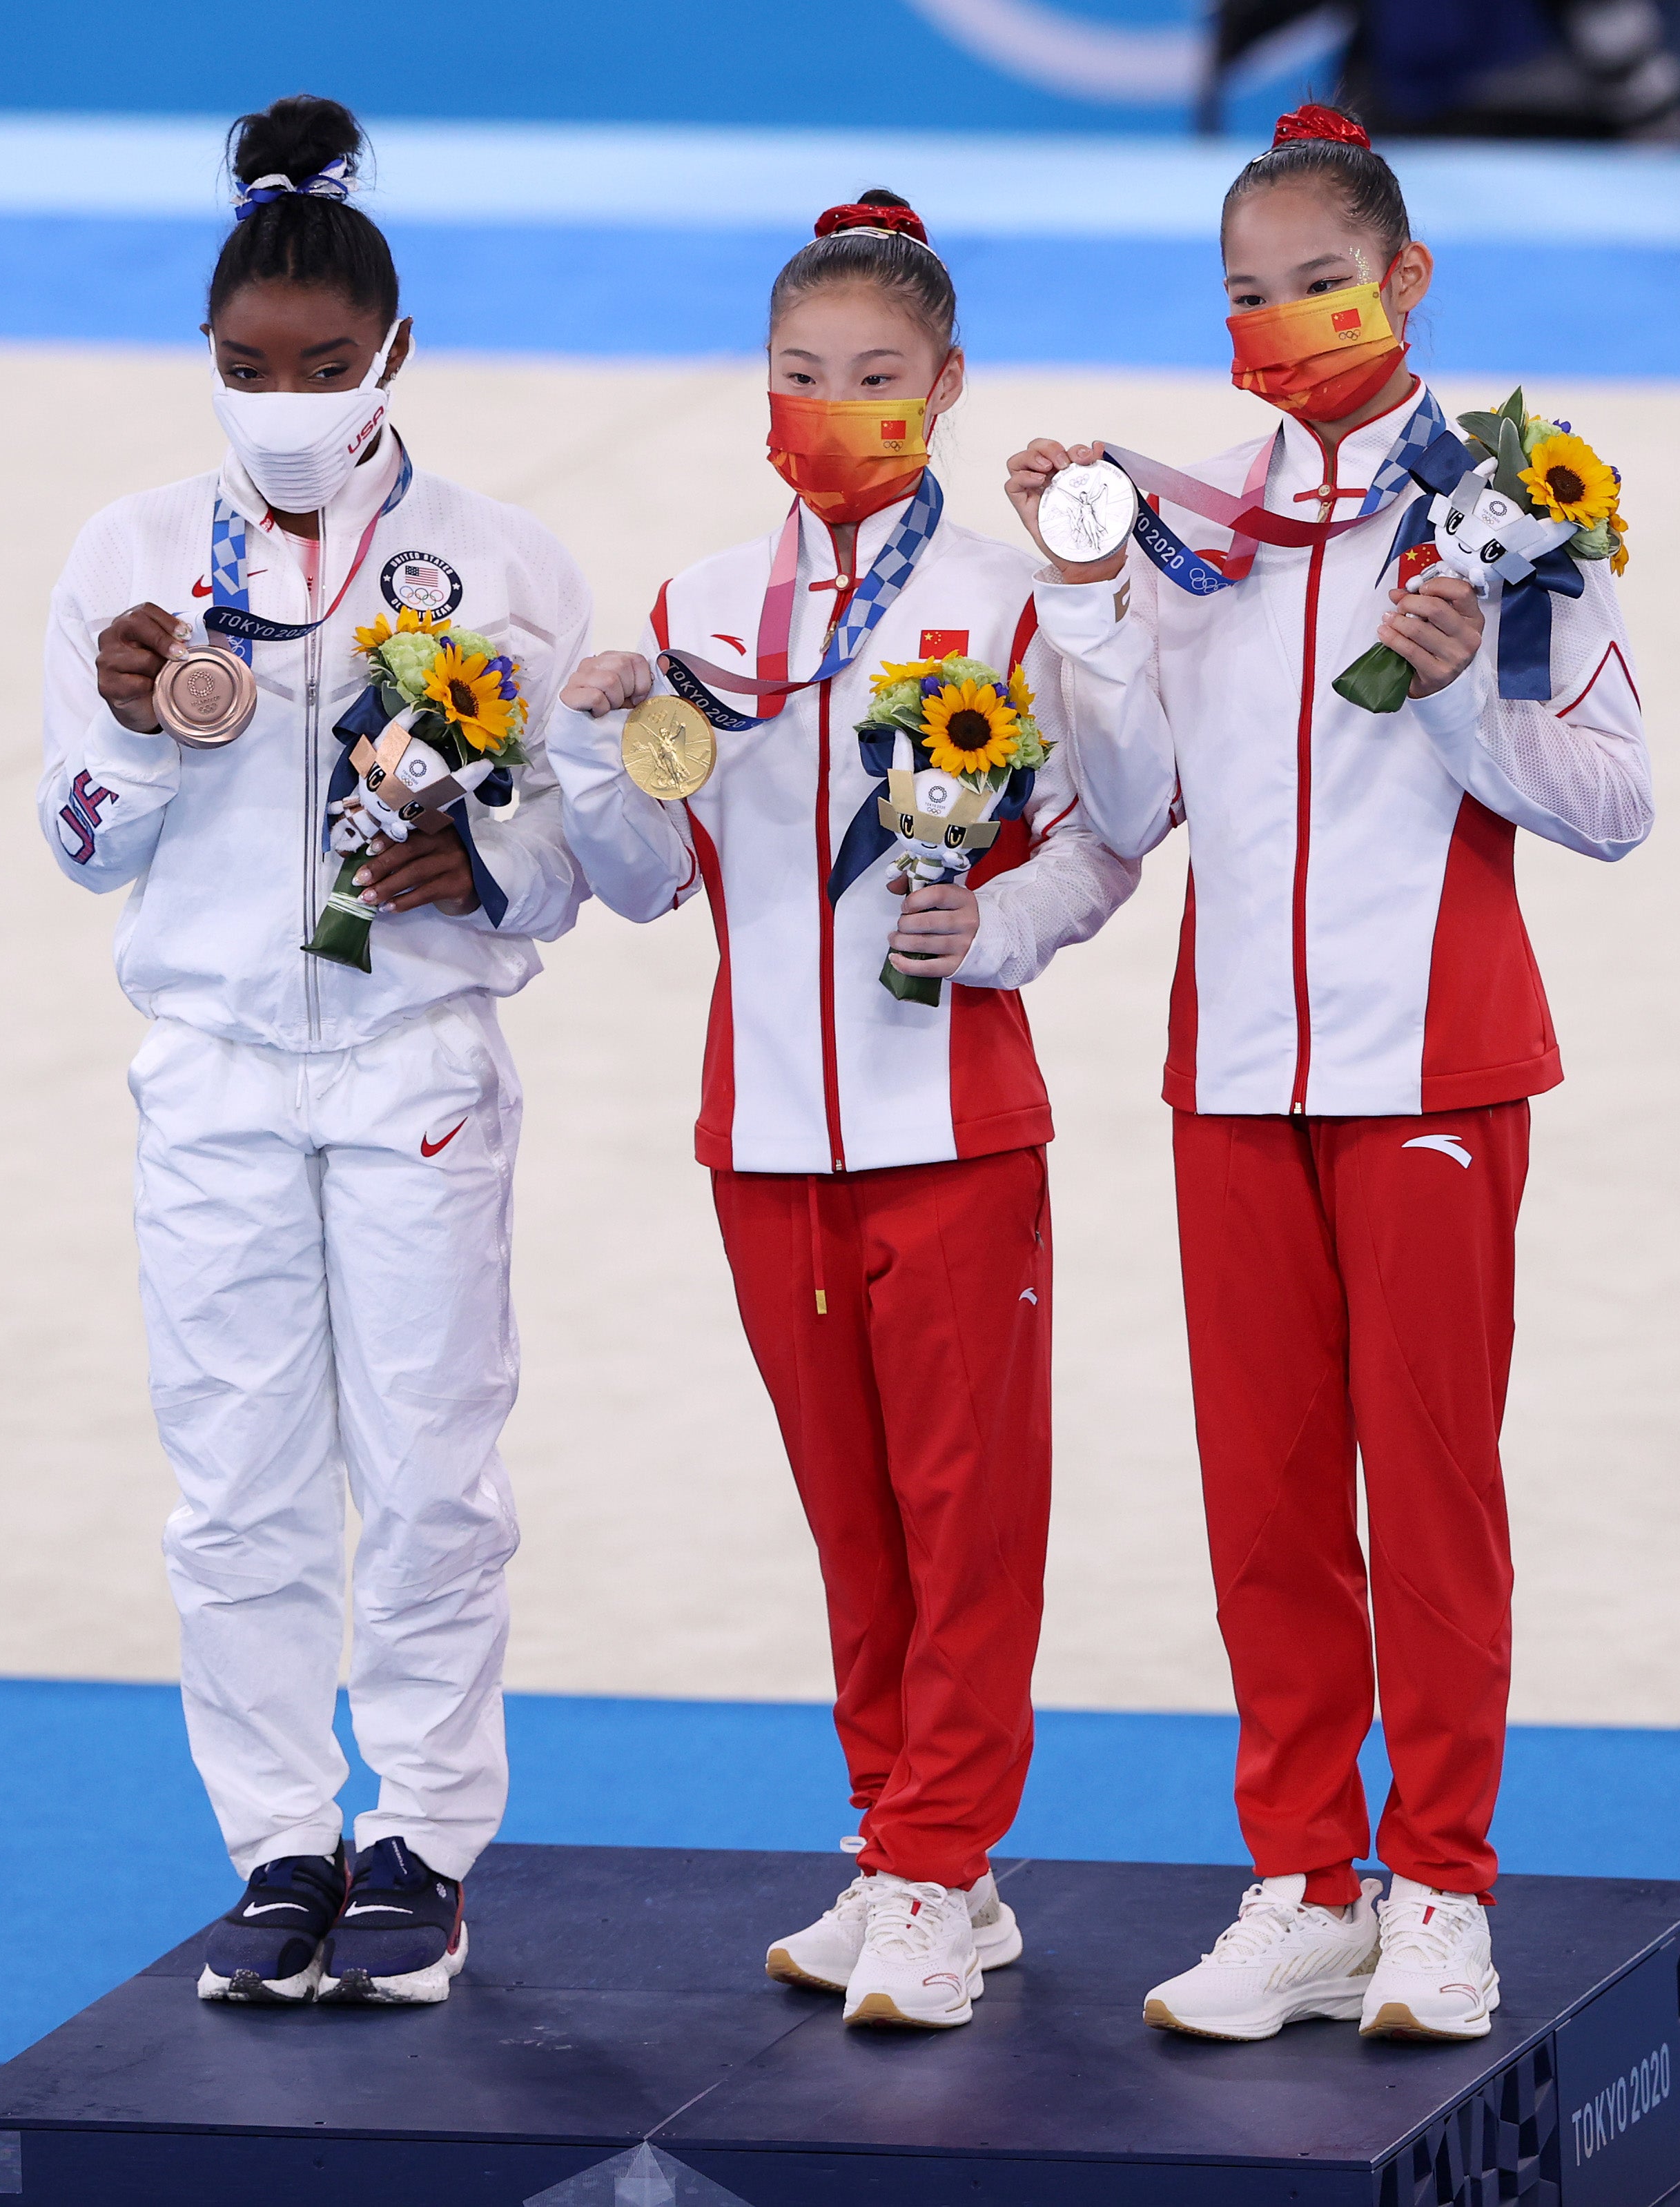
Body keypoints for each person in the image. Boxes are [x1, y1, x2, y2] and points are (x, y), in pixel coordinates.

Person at [1006, 104, 1652, 2044]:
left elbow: (1614, 805)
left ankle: (1441, 1890)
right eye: (1246, 295)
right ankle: (1304, 1881)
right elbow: (1127, 814)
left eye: (1319, 284)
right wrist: (1083, 605)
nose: (1282, 322)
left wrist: (1459, 687)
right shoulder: (1192, 527)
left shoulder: (1520, 514)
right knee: (1266, 1499)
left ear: (1408, 280)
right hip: (1235, 1074)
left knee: (1429, 1492)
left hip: (1434, 1067)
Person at [549, 193, 1140, 2032]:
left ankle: (935, 1860)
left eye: (875, 378)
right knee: (853, 1523)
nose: (831, 408)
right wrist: (595, 740)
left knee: (967, 1521)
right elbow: (649, 883)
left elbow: (1111, 839)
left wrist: (1001, 931)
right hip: (768, 1138)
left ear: (947, 386)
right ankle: (906, 1849)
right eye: (800, 377)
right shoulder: (699, 607)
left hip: (952, 1126)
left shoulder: (1002, 599)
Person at [37, 92, 589, 2010]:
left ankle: (420, 1839)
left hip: (415, 1061)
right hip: (208, 1075)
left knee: (435, 1479)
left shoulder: (502, 566)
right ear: (207, 363)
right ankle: (274, 1837)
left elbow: (573, 861)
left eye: (323, 367)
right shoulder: (124, 555)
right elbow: (79, 848)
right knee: (238, 1486)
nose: (283, 397)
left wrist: (486, 864)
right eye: (246, 366)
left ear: (394, 359)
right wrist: (128, 734)